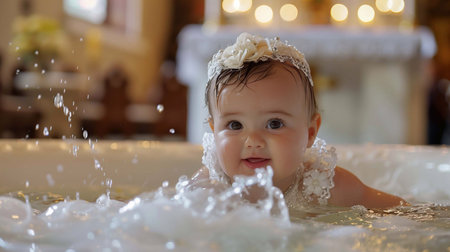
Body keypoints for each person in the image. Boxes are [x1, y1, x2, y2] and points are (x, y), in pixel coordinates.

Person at [191, 32, 407, 209]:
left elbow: (400, 211)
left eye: (274, 124)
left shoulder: (324, 185)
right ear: (214, 131)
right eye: (235, 125)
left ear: (310, 132)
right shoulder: (208, 188)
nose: (253, 141)